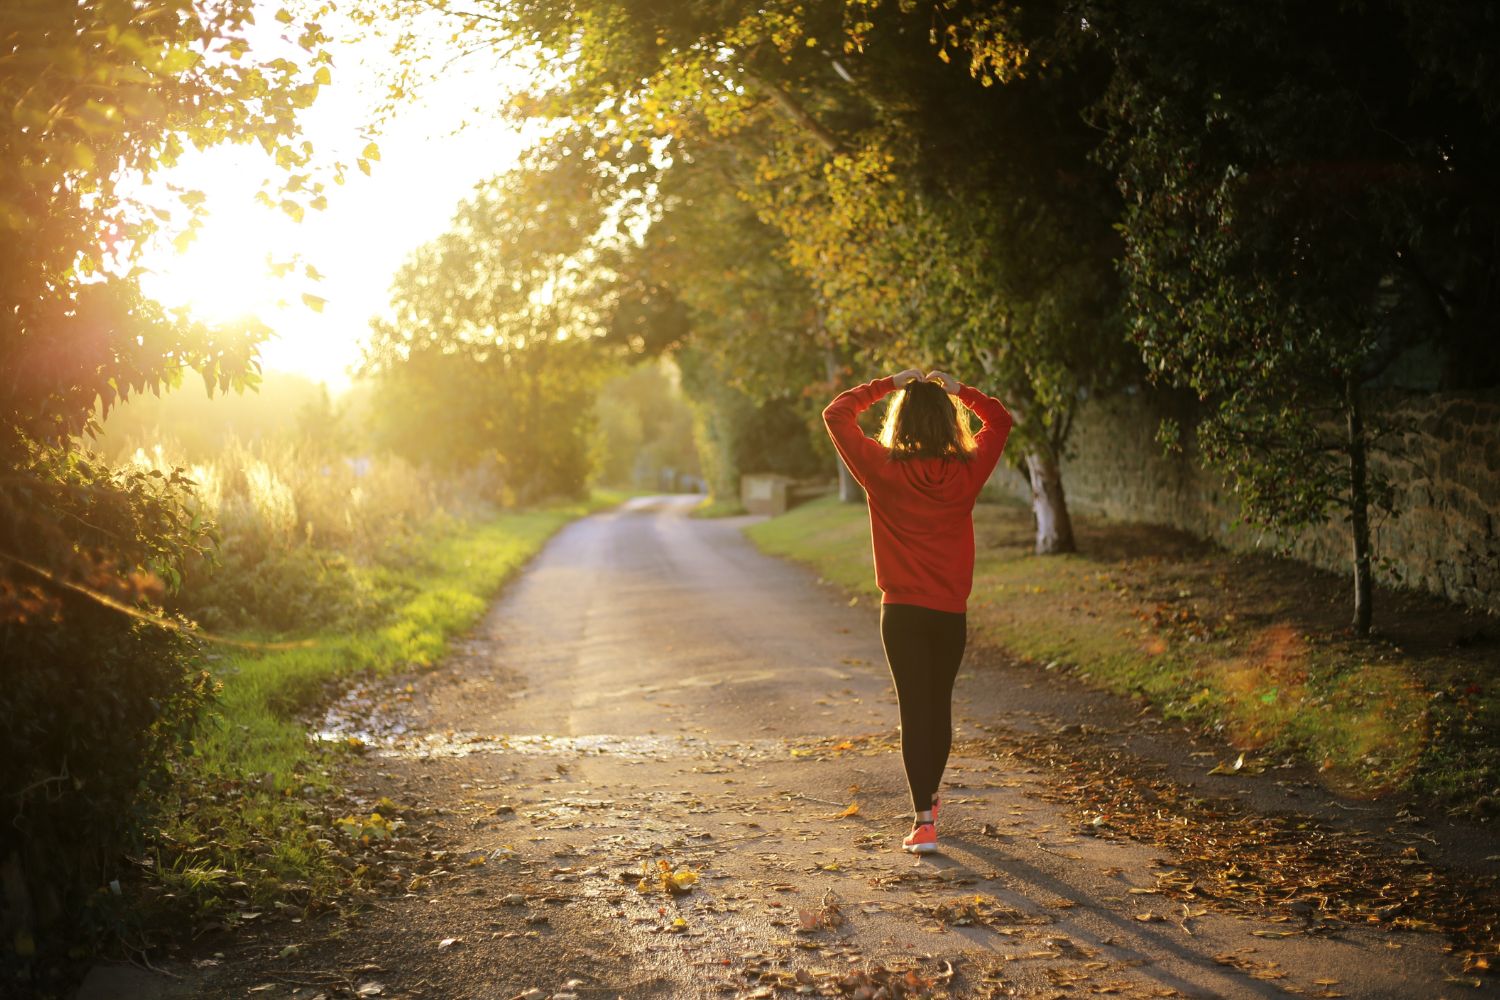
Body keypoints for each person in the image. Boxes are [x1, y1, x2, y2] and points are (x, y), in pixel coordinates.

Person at [822, 368, 1013, 854]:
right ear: (949, 423)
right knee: (938, 706)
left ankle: (923, 820)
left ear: (900, 421)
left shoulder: (881, 468)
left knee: (914, 710)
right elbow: (1001, 420)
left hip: (902, 612)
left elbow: (836, 414)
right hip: (949, 612)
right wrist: (961, 391)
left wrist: (888, 384)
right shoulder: (968, 470)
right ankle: (928, 798)